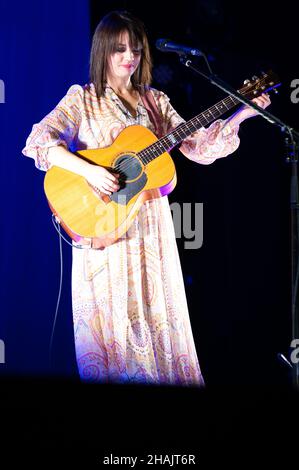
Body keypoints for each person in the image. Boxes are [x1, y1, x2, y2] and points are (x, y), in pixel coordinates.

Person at [22, 10, 270, 386]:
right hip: (105, 226)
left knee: (157, 326)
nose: (129, 56)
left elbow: (196, 146)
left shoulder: (155, 101)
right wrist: (90, 171)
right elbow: (39, 142)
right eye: (120, 48)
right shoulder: (83, 100)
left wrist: (240, 116)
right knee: (116, 333)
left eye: (136, 49)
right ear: (103, 50)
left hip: (151, 227)